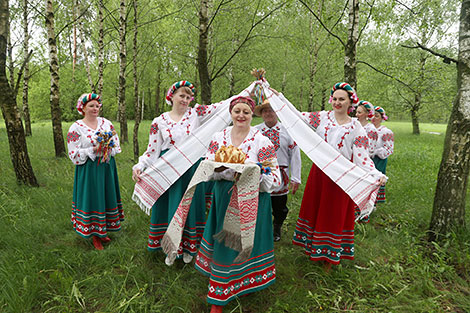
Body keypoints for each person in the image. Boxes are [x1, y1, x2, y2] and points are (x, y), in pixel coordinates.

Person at [194, 96, 281, 313]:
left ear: (252, 115)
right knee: (226, 243)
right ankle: (219, 296)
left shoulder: (262, 141)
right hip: (225, 197)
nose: (241, 115)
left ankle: (245, 282)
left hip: (252, 199)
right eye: (237, 111)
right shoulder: (219, 137)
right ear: (231, 114)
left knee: (246, 243)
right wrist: (222, 170)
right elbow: (206, 167)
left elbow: (276, 179)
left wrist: (253, 174)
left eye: (246, 112)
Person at [289, 82, 386, 269]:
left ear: (351, 102)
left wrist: (375, 173)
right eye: (334, 99)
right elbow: (295, 115)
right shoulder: (322, 118)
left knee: (333, 213)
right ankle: (313, 248)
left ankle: (330, 256)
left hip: (341, 176)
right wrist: (278, 98)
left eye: (342, 99)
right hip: (319, 173)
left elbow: (361, 156)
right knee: (316, 209)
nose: (337, 102)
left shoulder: (356, 127)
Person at [132, 81, 219, 264]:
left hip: (190, 166)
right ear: (171, 96)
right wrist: (140, 165)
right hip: (168, 169)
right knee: (172, 206)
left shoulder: (196, 114)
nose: (185, 100)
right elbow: (152, 150)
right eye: (182, 95)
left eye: (188, 97)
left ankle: (188, 247)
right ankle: (171, 247)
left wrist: (250, 90)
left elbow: (223, 107)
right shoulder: (159, 121)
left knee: (191, 206)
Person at [67, 93, 124, 250]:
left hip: (106, 167)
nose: (95, 108)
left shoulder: (106, 123)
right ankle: (94, 234)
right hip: (89, 169)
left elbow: (116, 143)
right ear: (83, 108)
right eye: (91, 105)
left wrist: (108, 146)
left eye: (97, 106)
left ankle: (103, 230)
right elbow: (73, 153)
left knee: (105, 196)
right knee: (93, 198)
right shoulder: (76, 127)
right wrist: (94, 149)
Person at [254, 101, 301, 242]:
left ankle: (277, 226)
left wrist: (296, 178)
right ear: (261, 114)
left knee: (279, 205)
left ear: (277, 113)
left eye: (271, 110)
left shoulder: (288, 131)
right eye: (265, 111)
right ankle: (261, 227)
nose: (268, 113)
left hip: (281, 174)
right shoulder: (255, 131)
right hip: (261, 172)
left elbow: (295, 155)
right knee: (261, 202)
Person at [371, 106, 394, 203]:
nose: (374, 118)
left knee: (377, 179)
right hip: (367, 159)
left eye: (376, 116)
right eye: (372, 116)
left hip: (379, 159)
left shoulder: (386, 132)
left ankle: (375, 202)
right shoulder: (366, 129)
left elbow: (389, 149)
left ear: (381, 118)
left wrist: (376, 152)